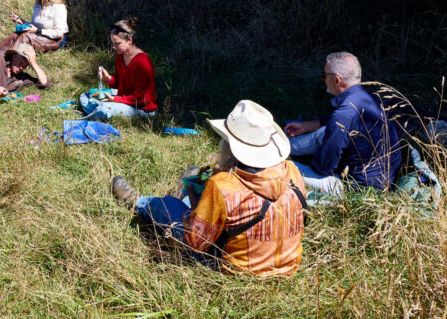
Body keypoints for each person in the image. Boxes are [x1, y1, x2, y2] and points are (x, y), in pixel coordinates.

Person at [112, 100, 307, 276]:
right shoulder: (292, 172)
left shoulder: (222, 185)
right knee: (193, 174)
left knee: (166, 204)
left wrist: (198, 204)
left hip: (235, 270)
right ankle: (178, 198)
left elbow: (196, 242)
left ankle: (138, 202)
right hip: (288, 268)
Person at [284, 51, 402, 194]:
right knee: (323, 132)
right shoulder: (370, 99)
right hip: (387, 177)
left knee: (284, 167)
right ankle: (285, 146)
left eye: (324, 75)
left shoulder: (342, 116)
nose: (324, 79)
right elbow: (340, 121)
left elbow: (323, 167)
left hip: (357, 188)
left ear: (336, 80)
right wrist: (308, 126)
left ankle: (277, 154)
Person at [78, 17, 157, 121]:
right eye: (113, 43)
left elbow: (142, 97)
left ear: (129, 40)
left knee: (105, 108)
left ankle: (93, 116)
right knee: (85, 96)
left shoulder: (142, 61)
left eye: (117, 43)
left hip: (141, 108)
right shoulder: (120, 55)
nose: (114, 47)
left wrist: (115, 99)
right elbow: (119, 83)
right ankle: (101, 114)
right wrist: (108, 78)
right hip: (123, 99)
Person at [0, 0, 69, 52]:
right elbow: (34, 26)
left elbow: (59, 33)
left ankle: (8, 56)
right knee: (16, 34)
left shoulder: (58, 7)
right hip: (39, 35)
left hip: (56, 40)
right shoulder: (37, 4)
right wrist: (21, 21)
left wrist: (38, 31)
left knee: (25, 36)